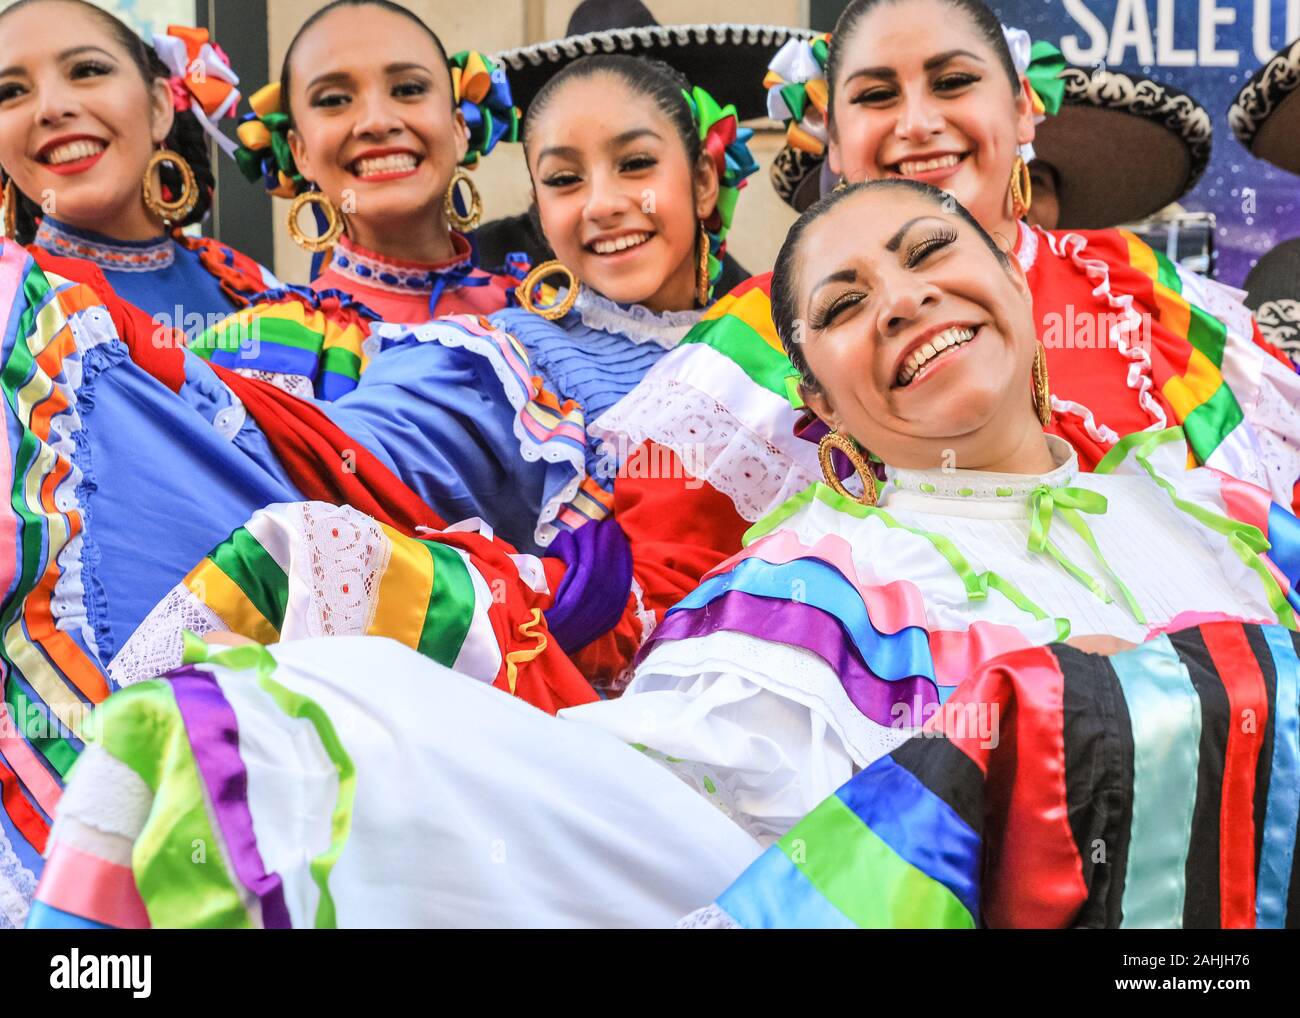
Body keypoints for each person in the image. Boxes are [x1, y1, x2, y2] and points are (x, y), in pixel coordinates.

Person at [30, 181, 1300, 928]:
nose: (903, 301)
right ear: (821, 399)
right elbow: (661, 834)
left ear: (1016, 287)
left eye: (929, 257)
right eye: (845, 306)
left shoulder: (1227, 515)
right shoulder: (811, 592)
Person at [568, 0, 1300, 690]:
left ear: (1021, 107)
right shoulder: (763, 336)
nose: (917, 124)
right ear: (835, 138)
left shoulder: (1142, 290)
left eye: (952, 82)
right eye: (875, 96)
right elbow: (657, 607)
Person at [0, 1, 277, 330]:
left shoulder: (250, 284)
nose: (51, 108)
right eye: (11, 91)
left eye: (87, 71)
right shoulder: (10, 309)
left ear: (159, 107)